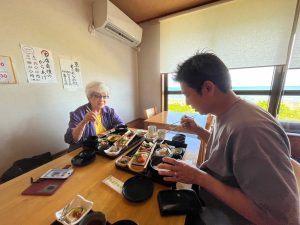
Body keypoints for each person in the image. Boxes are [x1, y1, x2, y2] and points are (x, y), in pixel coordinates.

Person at [158, 52, 299, 225]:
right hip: (213, 202)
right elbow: (225, 149)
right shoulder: (225, 113)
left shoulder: (251, 130)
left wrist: (199, 177)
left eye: (187, 94)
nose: (187, 102)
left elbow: (280, 218)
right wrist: (198, 130)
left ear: (208, 88)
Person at [64, 81, 124, 151]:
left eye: (104, 96)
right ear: (89, 97)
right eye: (97, 96)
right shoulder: (77, 114)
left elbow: (121, 125)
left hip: (103, 147)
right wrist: (84, 121)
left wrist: (106, 133)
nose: (101, 99)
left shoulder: (109, 111)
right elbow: (71, 139)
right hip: (83, 151)